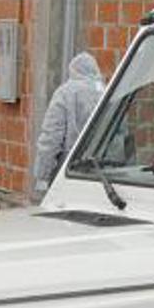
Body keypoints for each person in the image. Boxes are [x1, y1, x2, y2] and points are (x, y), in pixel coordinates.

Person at [32, 51, 105, 199]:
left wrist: (42, 175)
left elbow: (51, 137)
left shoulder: (65, 93)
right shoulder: (106, 92)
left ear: (72, 71)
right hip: (102, 175)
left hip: (69, 173)